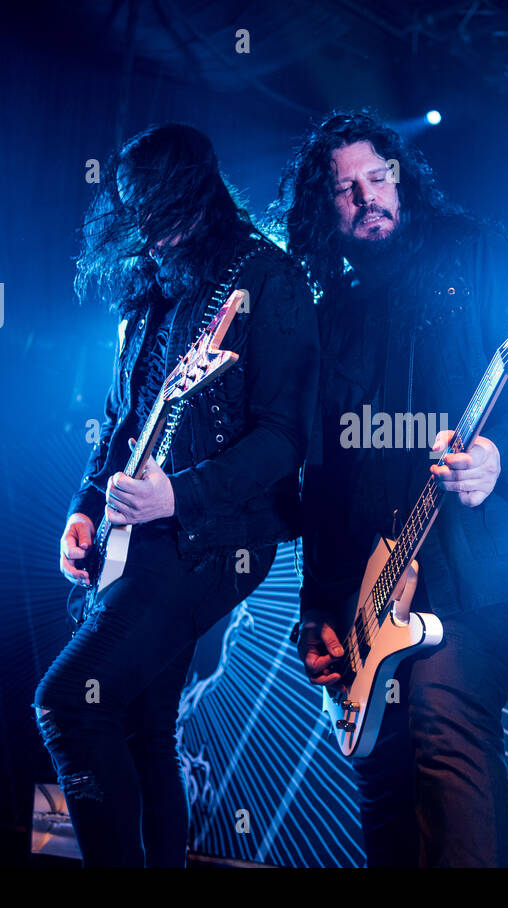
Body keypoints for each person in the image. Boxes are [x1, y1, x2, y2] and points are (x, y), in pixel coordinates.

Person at [274, 109, 508, 866]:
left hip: (501, 558)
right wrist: (318, 613)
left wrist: (500, 454)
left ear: (402, 178)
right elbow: (324, 484)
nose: (365, 197)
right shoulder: (332, 318)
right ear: (323, 211)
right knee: (381, 762)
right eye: (343, 189)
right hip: (388, 580)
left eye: (377, 177)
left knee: (443, 709)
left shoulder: (476, 253)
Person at [34, 123, 318, 866]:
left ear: (196, 190)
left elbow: (286, 436)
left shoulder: (268, 279)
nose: (147, 225)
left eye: (157, 204)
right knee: (141, 729)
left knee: (69, 703)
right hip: (139, 538)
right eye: (134, 209)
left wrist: (179, 497)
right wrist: (84, 507)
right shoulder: (151, 290)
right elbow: (124, 421)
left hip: (217, 536)